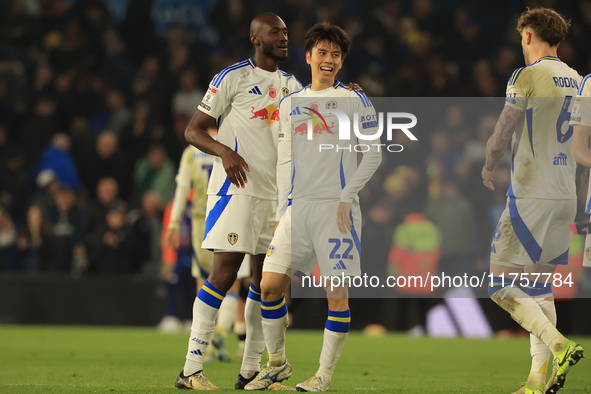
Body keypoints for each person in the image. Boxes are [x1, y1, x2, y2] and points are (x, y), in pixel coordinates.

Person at [244, 23, 381, 391]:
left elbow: (373, 154)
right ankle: (276, 363)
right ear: (308, 57)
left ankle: (322, 377)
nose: (329, 60)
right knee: (269, 286)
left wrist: (346, 196)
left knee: (337, 296)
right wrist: (279, 213)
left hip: (336, 212)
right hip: (296, 210)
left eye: (335, 54)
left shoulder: (354, 100)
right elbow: (285, 162)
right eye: (322, 52)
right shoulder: (291, 104)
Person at [174, 13, 302, 390]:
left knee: (265, 284)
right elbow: (192, 130)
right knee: (225, 272)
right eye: (275, 32)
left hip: (273, 195)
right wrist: (224, 152)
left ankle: (249, 373)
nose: (283, 37)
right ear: (255, 38)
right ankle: (191, 369)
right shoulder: (232, 77)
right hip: (236, 190)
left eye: (285, 32)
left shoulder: (292, 85)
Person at [481, 8, 584, 394]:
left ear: (527, 36)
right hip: (565, 195)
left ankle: (559, 345)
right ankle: (536, 381)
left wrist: (489, 164)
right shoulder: (578, 79)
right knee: (539, 287)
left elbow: (503, 129)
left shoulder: (526, 75)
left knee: (497, 284)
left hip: (531, 193)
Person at [164, 127, 249, 360]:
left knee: (204, 282)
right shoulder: (233, 142)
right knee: (233, 283)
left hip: (202, 223)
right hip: (233, 216)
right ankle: (222, 334)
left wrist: (173, 224)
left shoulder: (192, 150)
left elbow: (182, 189)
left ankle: (208, 342)